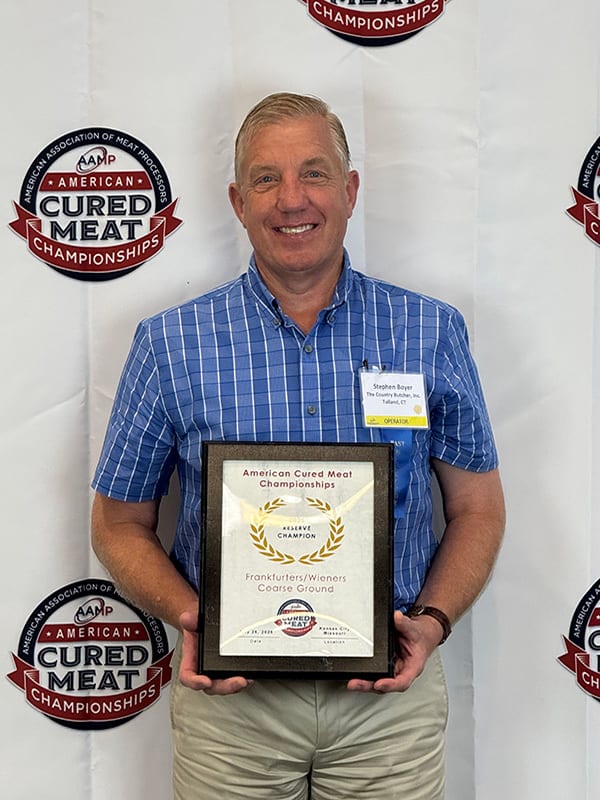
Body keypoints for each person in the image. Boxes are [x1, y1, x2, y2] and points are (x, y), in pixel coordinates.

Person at [91, 92, 505, 799]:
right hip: (234, 709)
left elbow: (477, 508)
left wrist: (431, 623)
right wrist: (196, 617)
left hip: (388, 705)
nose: (291, 200)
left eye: (314, 174)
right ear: (236, 199)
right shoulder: (170, 344)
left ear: (349, 191)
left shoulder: (429, 331)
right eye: (265, 178)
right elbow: (117, 524)